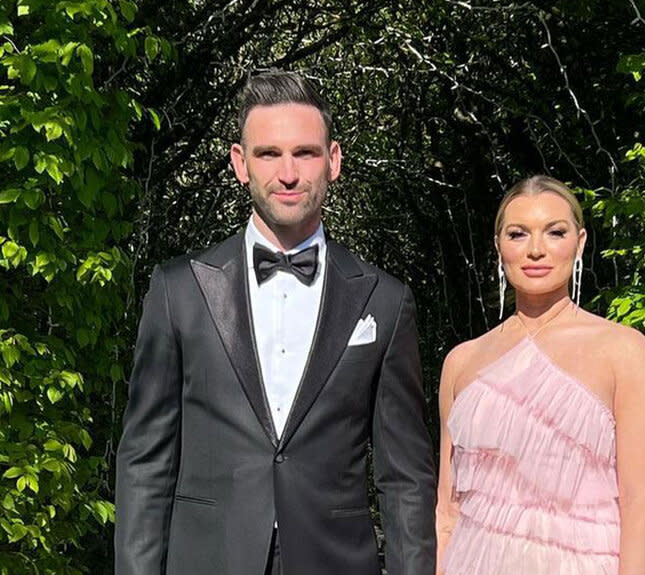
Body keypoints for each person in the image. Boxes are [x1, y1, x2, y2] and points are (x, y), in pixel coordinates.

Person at [115, 71, 436, 575]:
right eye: (268, 154)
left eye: (305, 153)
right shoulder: (179, 290)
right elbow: (144, 464)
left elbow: (405, 480)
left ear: (333, 160)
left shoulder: (386, 302)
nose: (287, 173)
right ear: (240, 164)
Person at [435, 175, 645, 575]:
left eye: (555, 232)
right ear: (498, 246)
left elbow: (640, 504)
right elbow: (447, 513)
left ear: (580, 242)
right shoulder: (462, 362)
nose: (536, 250)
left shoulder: (623, 350)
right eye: (518, 234)